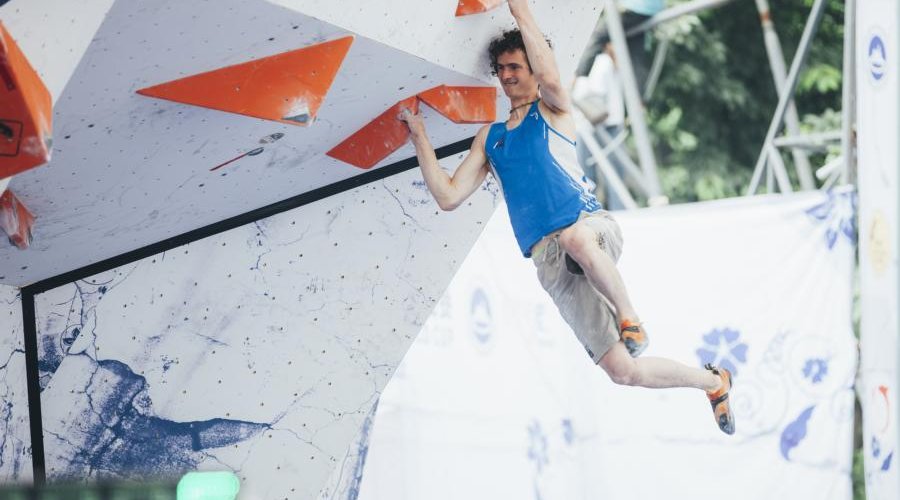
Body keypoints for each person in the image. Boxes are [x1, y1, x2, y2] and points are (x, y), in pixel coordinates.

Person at [399, 0, 734, 435]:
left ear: (533, 71)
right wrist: (419, 136)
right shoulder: (492, 138)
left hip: (591, 230)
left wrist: (520, 12)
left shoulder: (553, 109)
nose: (507, 75)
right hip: (550, 263)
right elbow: (447, 195)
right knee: (622, 371)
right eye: (500, 69)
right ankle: (713, 382)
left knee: (576, 239)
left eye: (516, 66)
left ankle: (630, 316)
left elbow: (553, 76)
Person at [575, 0, 665, 96]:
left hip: (633, 7)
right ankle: (639, 100)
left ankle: (578, 79)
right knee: (636, 54)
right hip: (648, 11)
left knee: (598, 36)